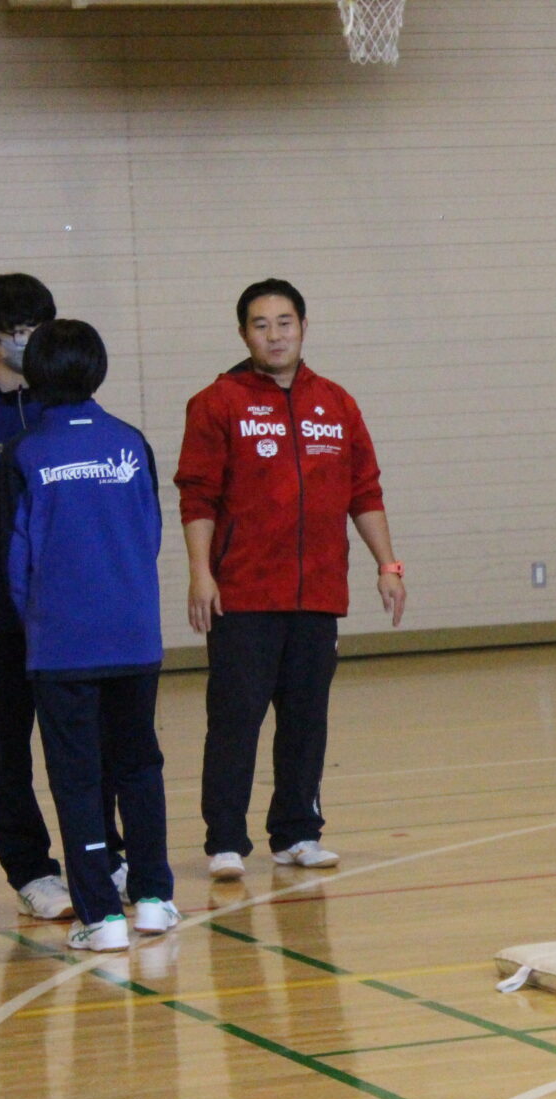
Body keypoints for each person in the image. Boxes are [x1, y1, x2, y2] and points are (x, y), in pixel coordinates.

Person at [174, 279, 405, 881]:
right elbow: (196, 496)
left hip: (318, 594)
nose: (274, 335)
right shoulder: (217, 402)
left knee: (306, 719)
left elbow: (365, 490)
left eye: (284, 322)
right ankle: (225, 839)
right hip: (244, 595)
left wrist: (388, 564)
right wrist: (201, 574)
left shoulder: (336, 402)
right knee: (236, 720)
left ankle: (297, 831)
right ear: (243, 333)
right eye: (260, 324)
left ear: (304, 326)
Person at [0, 274, 124, 919]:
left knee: (86, 740)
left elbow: (30, 496)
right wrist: (9, 494)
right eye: (19, 332)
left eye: (39, 328)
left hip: (68, 610)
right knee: (7, 745)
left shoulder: (67, 408)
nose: (31, 341)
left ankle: (105, 854)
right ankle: (31, 871)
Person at [1, 320, 177, 952]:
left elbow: (17, 561)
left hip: (62, 645)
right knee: (139, 766)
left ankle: (101, 918)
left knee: (77, 780)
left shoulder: (26, 453)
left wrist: (42, 623)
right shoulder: (131, 443)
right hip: (133, 636)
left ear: (37, 373)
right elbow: (151, 534)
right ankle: (154, 899)